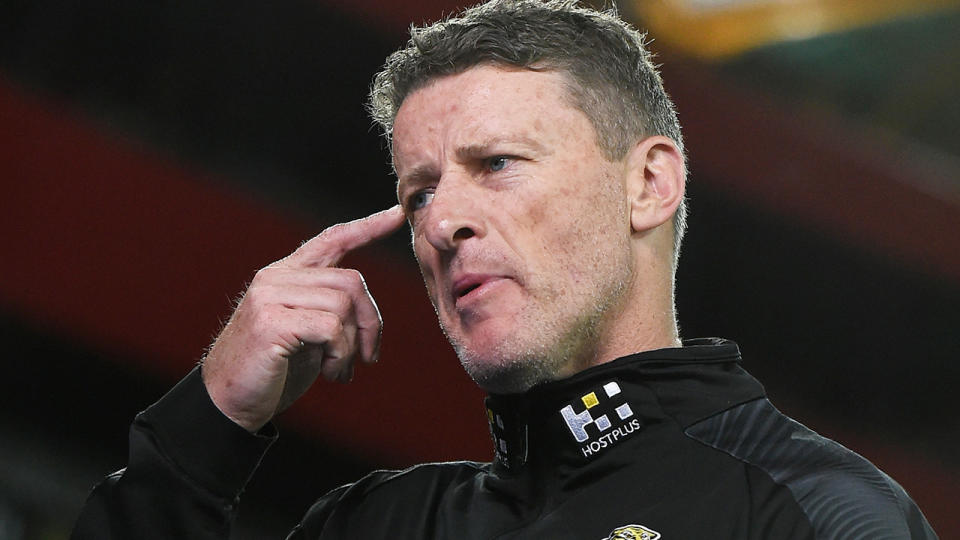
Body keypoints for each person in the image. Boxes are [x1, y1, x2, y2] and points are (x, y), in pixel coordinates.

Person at [73, 1, 938, 538]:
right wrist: (209, 426)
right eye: (416, 194)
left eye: (496, 164)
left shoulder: (816, 516)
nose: (442, 222)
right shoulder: (379, 527)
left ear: (648, 184)